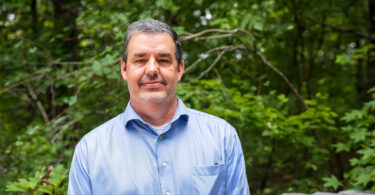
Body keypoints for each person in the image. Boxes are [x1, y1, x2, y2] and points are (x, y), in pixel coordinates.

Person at [68, 19, 250, 195]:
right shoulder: (90, 151)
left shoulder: (222, 137)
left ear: (179, 69)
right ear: (124, 69)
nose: (152, 69)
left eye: (163, 60)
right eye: (140, 60)